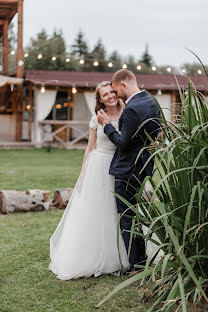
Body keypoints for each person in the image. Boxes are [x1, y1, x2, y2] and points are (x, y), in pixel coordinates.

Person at [49, 81, 129, 280]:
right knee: (96, 210)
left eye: (111, 92)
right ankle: (93, 255)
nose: (110, 96)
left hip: (120, 165)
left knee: (118, 210)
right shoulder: (96, 119)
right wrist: (82, 174)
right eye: (105, 95)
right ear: (100, 100)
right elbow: (90, 148)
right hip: (98, 166)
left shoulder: (128, 113)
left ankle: (122, 254)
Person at [97, 69, 161, 272]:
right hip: (143, 167)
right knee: (134, 215)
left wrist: (107, 125)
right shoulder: (151, 100)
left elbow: (123, 143)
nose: (116, 95)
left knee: (127, 217)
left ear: (124, 85)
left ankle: (137, 264)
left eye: (116, 90)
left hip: (127, 170)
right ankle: (140, 258)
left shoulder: (132, 108)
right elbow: (156, 133)